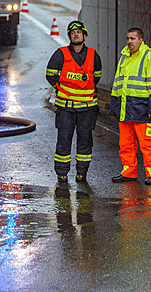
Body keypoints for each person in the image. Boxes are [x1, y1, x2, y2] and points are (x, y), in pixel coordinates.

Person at [46, 21, 102, 183]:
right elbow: (50, 75)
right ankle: (62, 174)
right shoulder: (60, 54)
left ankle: (81, 173)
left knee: (85, 142)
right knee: (64, 141)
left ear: (84, 36)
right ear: (69, 36)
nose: (75, 35)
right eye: (72, 32)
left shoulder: (93, 55)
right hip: (66, 108)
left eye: (79, 32)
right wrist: (62, 89)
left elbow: (96, 76)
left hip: (87, 109)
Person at [109, 27, 151, 185]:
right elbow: (117, 84)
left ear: (141, 40)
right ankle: (129, 171)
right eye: (128, 38)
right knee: (126, 144)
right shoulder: (124, 57)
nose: (129, 42)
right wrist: (114, 108)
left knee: (147, 143)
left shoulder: (149, 57)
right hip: (126, 109)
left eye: (132, 38)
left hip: (143, 109)